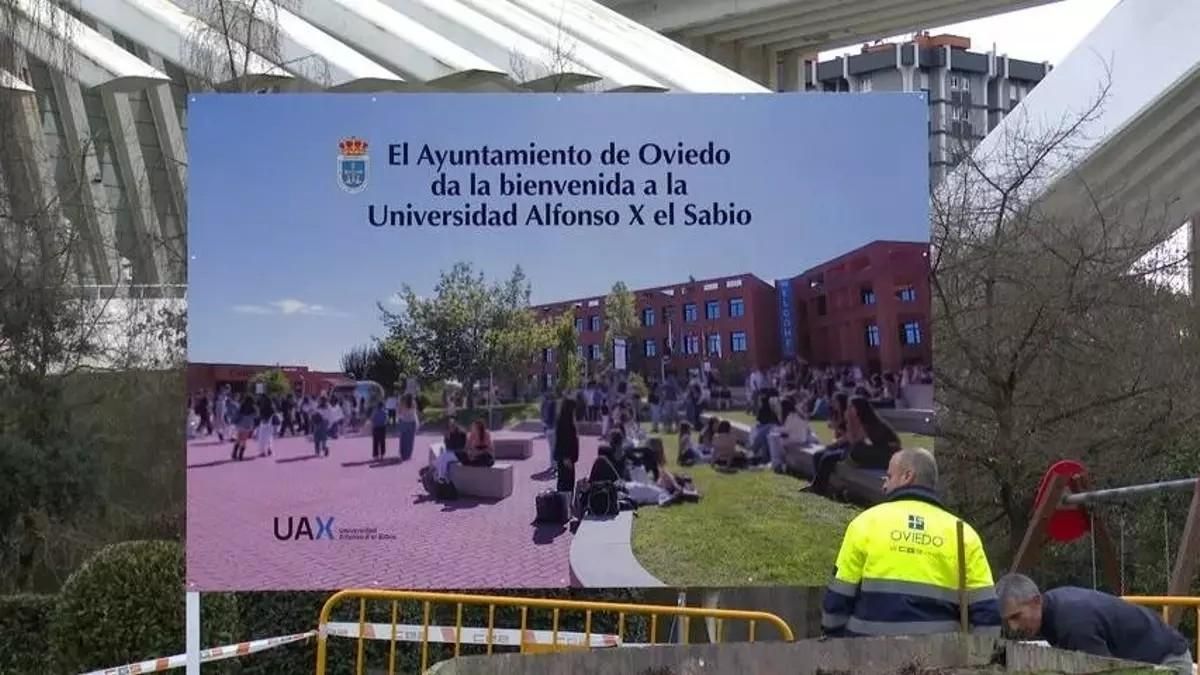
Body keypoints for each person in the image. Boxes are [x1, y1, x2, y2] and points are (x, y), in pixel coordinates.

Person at [821, 448, 1000, 638]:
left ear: (907, 476)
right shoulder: (963, 534)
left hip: (868, 655)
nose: (884, 485)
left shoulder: (866, 523)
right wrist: (977, 658)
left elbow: (837, 601)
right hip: (939, 660)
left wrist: (839, 644)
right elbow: (987, 612)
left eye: (889, 477)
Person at [995, 574, 1195, 674]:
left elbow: (1104, 671)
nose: (1013, 627)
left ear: (1035, 601)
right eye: (1007, 621)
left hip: (1167, 661)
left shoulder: (1073, 624)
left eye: (1016, 616)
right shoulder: (1052, 609)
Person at [554, 398, 579, 493]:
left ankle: (566, 502)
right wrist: (565, 457)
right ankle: (563, 504)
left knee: (568, 482)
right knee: (566, 482)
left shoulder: (567, 421)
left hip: (569, 458)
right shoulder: (564, 423)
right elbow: (563, 441)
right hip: (566, 458)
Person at [395, 394, 419, 461]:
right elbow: (415, 413)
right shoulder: (413, 403)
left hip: (404, 422)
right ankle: (408, 455)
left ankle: (403, 454)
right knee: (410, 440)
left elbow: (398, 413)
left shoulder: (402, 403)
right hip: (412, 422)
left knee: (403, 439)